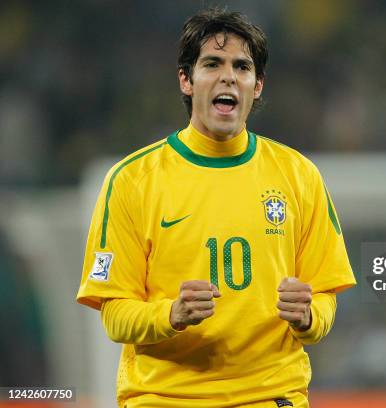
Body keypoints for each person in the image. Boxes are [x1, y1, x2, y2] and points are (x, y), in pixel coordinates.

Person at [76, 8, 355, 408]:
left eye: (242, 67)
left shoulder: (299, 175)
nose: (228, 76)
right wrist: (170, 314)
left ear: (257, 86)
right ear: (186, 80)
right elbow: (115, 316)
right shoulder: (132, 180)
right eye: (212, 64)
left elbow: (325, 297)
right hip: (166, 398)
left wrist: (309, 317)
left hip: (270, 396)